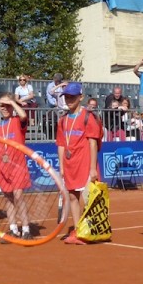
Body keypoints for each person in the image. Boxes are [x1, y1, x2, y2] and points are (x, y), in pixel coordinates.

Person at [55, 82, 103, 245]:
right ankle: (77, 230)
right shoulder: (62, 120)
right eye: (66, 96)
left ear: (80, 97)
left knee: (87, 198)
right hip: (69, 165)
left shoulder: (89, 117)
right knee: (72, 197)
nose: (69, 99)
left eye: (72, 96)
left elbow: (93, 143)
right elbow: (61, 144)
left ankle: (89, 229)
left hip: (85, 164)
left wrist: (92, 168)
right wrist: (61, 166)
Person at [0, 93, 32, 242]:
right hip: (3, 168)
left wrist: (12, 102)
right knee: (8, 198)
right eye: (2, 106)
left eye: (7, 105)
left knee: (18, 196)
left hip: (17, 166)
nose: (5, 108)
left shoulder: (16, 121)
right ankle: (13, 229)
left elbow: (23, 115)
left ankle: (26, 229)